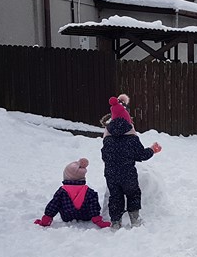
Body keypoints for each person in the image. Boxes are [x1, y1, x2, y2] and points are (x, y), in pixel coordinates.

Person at [101, 96, 161, 229]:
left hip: (111, 174)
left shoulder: (108, 139)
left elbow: (104, 156)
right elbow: (141, 155)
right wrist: (152, 150)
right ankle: (134, 219)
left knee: (115, 197)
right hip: (128, 174)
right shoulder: (132, 138)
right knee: (133, 194)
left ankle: (115, 222)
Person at [34, 158, 111, 228]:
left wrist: (45, 220)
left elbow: (53, 206)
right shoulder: (89, 191)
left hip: (67, 216)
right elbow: (93, 207)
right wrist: (98, 221)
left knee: (58, 201)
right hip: (86, 216)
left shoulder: (62, 191)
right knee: (91, 200)